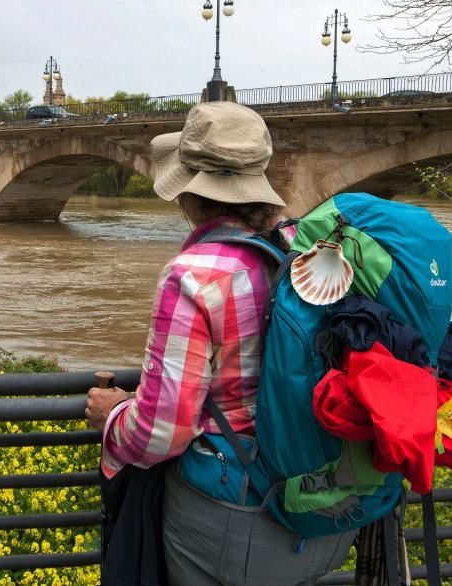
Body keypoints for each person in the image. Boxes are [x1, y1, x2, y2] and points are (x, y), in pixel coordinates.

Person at [86, 101, 355, 586]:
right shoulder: (310, 253)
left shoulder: (194, 275)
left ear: (190, 194)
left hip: (237, 519)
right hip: (330, 510)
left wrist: (113, 417)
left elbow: (161, 432)